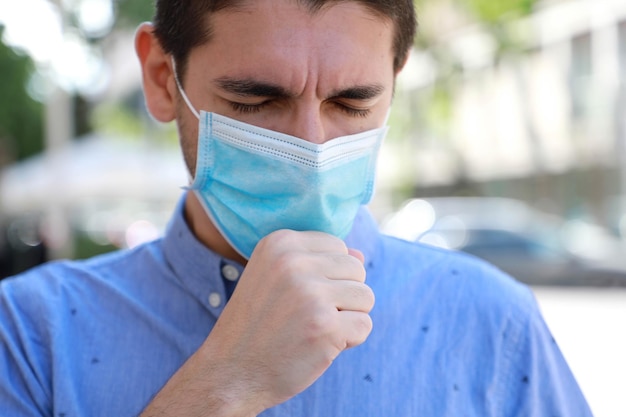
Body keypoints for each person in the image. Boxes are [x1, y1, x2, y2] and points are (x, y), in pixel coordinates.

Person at [0, 0, 593, 416]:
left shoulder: (495, 322)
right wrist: (222, 387)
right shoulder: (29, 335)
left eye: (352, 104)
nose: (312, 149)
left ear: (394, 80)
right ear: (161, 78)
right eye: (255, 99)